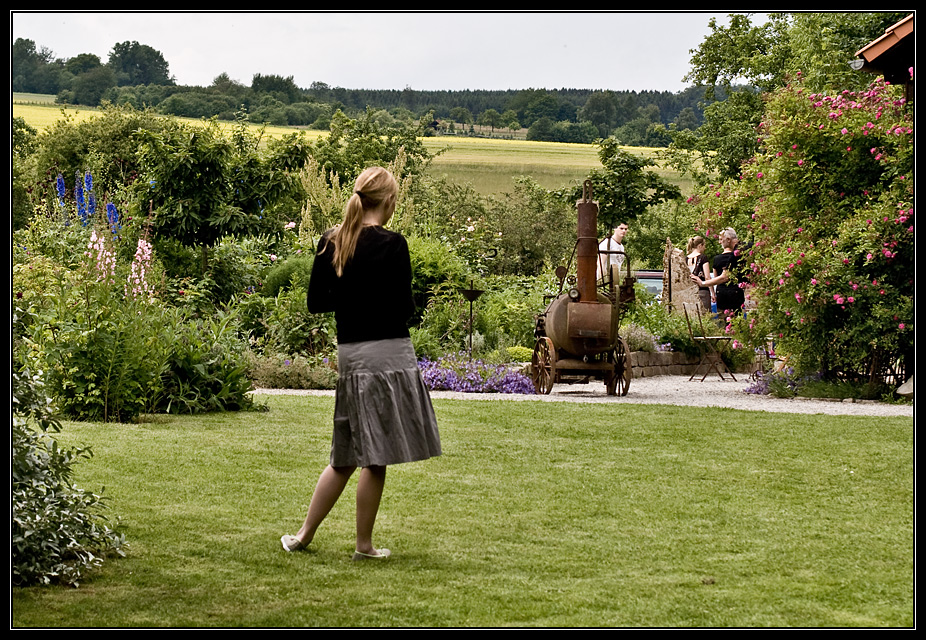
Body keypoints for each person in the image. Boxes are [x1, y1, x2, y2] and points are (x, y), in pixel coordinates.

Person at [280, 166, 442, 561]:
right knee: (375, 457)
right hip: (389, 354)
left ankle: (303, 535)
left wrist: (350, 296)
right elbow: (405, 309)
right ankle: (363, 546)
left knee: (346, 454)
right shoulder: (394, 244)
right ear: (388, 201)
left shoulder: (331, 242)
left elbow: (317, 303)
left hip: (350, 356)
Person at [691, 228, 745, 315]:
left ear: (728, 240)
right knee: (738, 318)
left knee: (723, 319)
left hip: (722, 292)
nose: (720, 242)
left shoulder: (717, 259)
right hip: (736, 291)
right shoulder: (738, 254)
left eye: (721, 239)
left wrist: (709, 289)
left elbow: (717, 278)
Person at [686, 236, 714, 311]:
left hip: (689, 292)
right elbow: (707, 277)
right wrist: (712, 293)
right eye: (704, 246)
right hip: (702, 291)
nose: (705, 248)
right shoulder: (703, 258)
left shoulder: (686, 259)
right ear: (700, 246)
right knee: (705, 316)